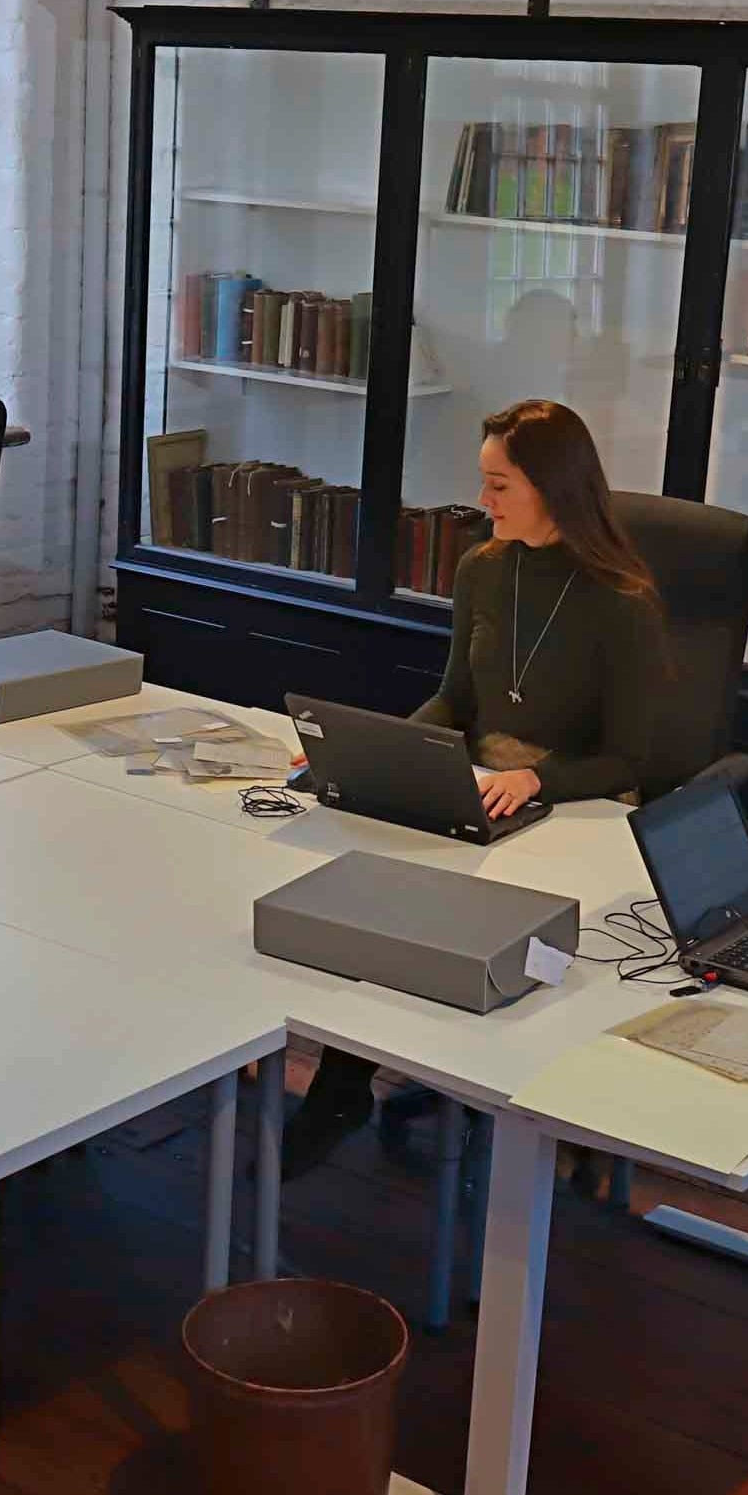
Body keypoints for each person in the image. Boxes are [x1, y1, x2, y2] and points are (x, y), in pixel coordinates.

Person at [282, 399, 670, 1177]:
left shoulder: (622, 601)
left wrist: (536, 777)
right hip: (486, 789)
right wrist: (391, 751)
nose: (483, 503)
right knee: (376, 887)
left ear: (554, 489)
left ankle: (418, 1087)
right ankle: (348, 1078)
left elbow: (633, 757)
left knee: (443, 899)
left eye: (499, 487)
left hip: (576, 806)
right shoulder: (483, 569)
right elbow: (457, 698)